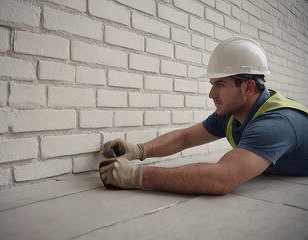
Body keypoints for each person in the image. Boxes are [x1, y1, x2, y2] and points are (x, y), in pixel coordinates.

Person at [99, 37, 308, 195]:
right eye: (212, 84)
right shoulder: (232, 113)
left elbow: (221, 179)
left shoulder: (276, 124)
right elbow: (185, 137)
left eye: (220, 84)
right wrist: (139, 150)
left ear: (248, 87)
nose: (211, 94)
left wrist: (136, 176)